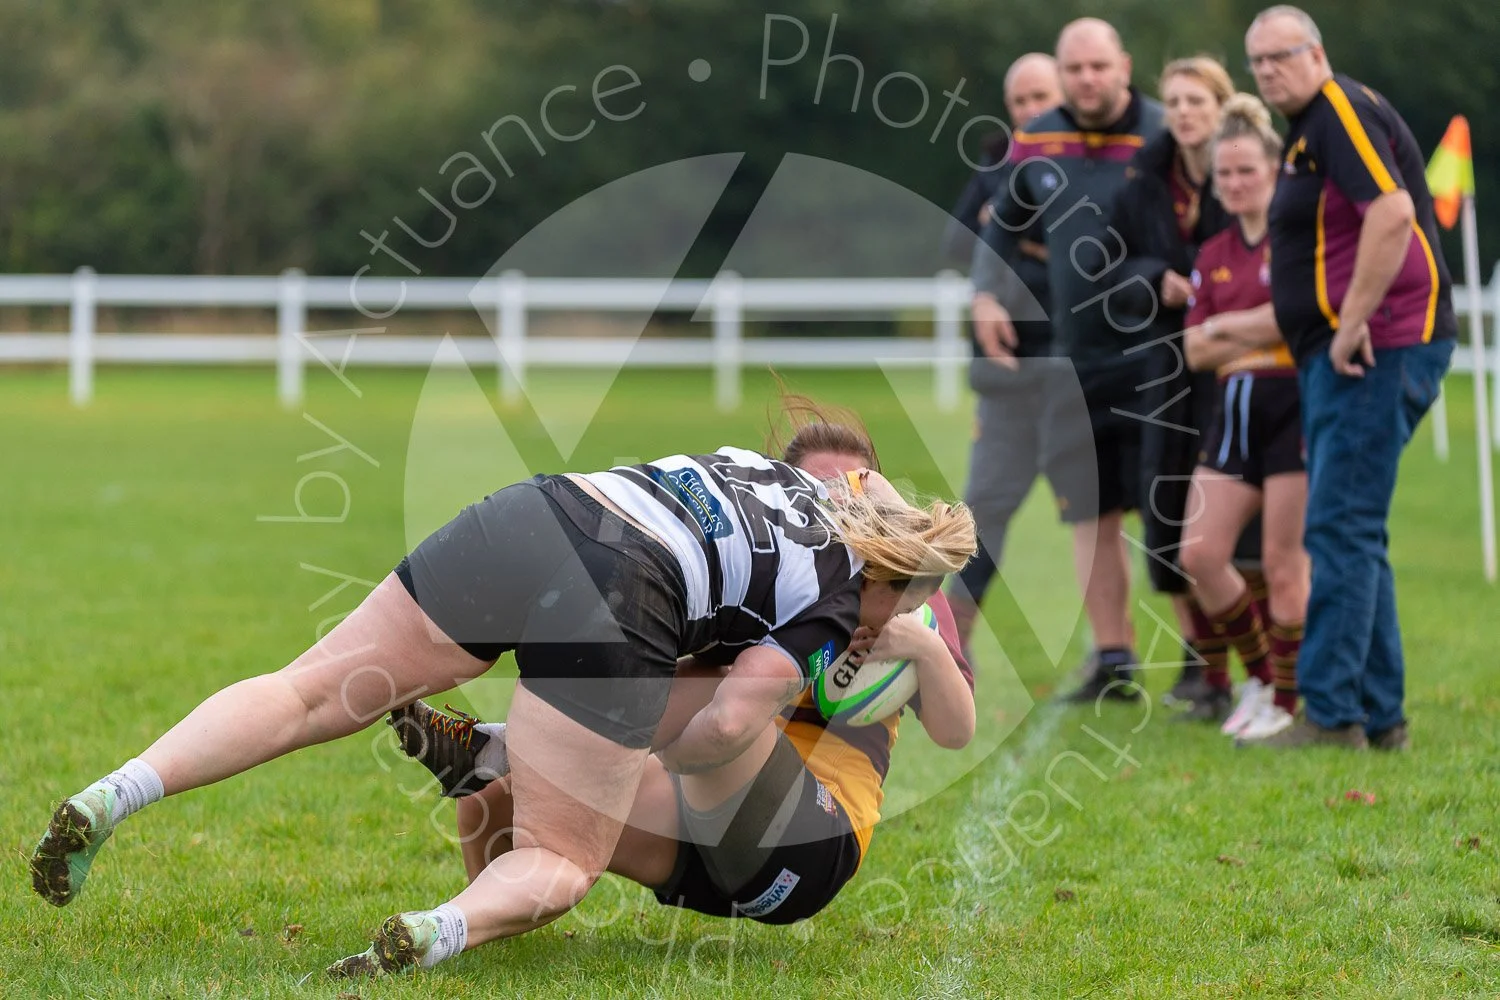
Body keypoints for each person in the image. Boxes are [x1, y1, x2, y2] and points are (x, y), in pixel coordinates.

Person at [30, 427, 977, 976]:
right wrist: (608, 760)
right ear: (896, 570)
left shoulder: (769, 476)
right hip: (629, 582)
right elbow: (730, 721)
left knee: (311, 689)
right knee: (566, 860)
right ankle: (432, 932)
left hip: (545, 506)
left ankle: (115, 792)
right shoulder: (854, 584)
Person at [361, 411, 975, 970]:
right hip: (703, 829)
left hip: (809, 841)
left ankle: (501, 743)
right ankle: (447, 930)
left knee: (732, 704)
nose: (831, 515)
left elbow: (957, 731)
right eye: (816, 495)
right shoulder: (770, 572)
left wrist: (921, 648)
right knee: (497, 797)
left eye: (850, 496)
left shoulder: (905, 603)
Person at [1245, 5, 1456, 749]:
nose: (1269, 70)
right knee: (1354, 532)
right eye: (1258, 61)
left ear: (1317, 53)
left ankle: (1334, 718)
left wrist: (1354, 320)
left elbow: (1393, 212)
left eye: (1282, 55)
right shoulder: (1311, 125)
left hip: (1375, 349)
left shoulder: (1338, 110)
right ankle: (1382, 715)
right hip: (1351, 353)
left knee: (1337, 528)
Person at [981, 18, 1167, 701]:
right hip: (1075, 360)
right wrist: (984, 296)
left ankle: (1208, 671)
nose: (1087, 79)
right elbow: (1002, 222)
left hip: (1160, 357)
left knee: (1169, 512)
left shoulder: (1164, 130)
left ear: (1123, 64)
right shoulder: (1038, 138)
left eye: (1099, 66)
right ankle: (1113, 662)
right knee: (1091, 514)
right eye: (1075, 68)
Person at [1108, 56, 1243, 716]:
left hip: (1240, 362)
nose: (1185, 112)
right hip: (1164, 362)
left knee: (1228, 510)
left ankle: (1254, 665)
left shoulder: (1246, 170)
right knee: (1164, 509)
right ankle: (1202, 665)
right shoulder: (1143, 180)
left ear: (1222, 107)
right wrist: (1155, 276)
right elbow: (1116, 264)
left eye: (1198, 100)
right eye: (1176, 100)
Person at [1178, 93, 1309, 742]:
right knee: (1198, 553)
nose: (1233, 183)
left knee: (1285, 563)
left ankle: (1288, 703)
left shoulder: (1298, 238)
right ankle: (1261, 680)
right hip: (1233, 411)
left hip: (1297, 408)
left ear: (1274, 169)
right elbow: (1195, 348)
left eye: (1245, 171)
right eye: (1223, 173)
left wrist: (1231, 328)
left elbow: (1301, 317)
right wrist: (1254, 328)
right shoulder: (1213, 253)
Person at [949, 51, 1064, 662]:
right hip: (1007, 370)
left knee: (1102, 514)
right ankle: (953, 637)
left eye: (1041, 97)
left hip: (1075, 367)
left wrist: (1012, 237)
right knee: (985, 507)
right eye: (1020, 101)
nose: (1030, 111)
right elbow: (956, 239)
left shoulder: (1092, 166)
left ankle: (1131, 654)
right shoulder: (996, 161)